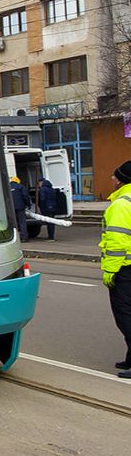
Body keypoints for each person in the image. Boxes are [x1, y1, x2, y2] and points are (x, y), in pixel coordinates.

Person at [102, 162, 131, 378]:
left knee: (125, 315)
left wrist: (110, 272)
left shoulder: (121, 205)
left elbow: (116, 242)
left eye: (114, 176)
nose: (111, 179)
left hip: (125, 269)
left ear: (120, 180)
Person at [9, 176, 31, 243]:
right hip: (20, 207)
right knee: (22, 222)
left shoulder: (7, 187)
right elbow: (25, 196)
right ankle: (24, 237)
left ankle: (14, 238)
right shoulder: (20, 187)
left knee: (13, 223)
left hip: (10, 208)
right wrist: (28, 205)